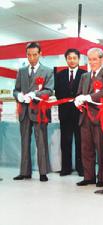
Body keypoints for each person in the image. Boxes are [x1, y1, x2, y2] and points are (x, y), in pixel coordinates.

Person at [13, 42, 54, 182]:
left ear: (40, 54)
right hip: (24, 112)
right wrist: (18, 95)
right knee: (24, 142)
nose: (32, 58)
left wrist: (34, 94)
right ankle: (24, 172)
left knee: (41, 142)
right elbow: (16, 89)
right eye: (29, 55)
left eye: (34, 54)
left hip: (39, 111)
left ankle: (43, 172)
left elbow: (49, 90)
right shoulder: (21, 71)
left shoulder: (48, 71)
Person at [74, 48, 103, 187]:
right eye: (89, 59)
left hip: (99, 117)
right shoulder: (84, 76)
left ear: (102, 59)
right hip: (84, 117)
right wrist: (78, 99)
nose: (92, 62)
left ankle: (102, 178)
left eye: (95, 59)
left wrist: (88, 97)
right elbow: (79, 92)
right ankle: (88, 176)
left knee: (101, 148)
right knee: (86, 149)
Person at [55, 48, 86, 176]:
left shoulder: (85, 74)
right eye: (69, 58)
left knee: (80, 141)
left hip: (80, 113)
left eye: (74, 58)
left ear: (79, 59)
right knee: (65, 141)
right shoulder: (60, 75)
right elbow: (57, 93)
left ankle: (81, 168)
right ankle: (66, 168)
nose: (72, 60)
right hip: (65, 112)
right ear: (66, 59)